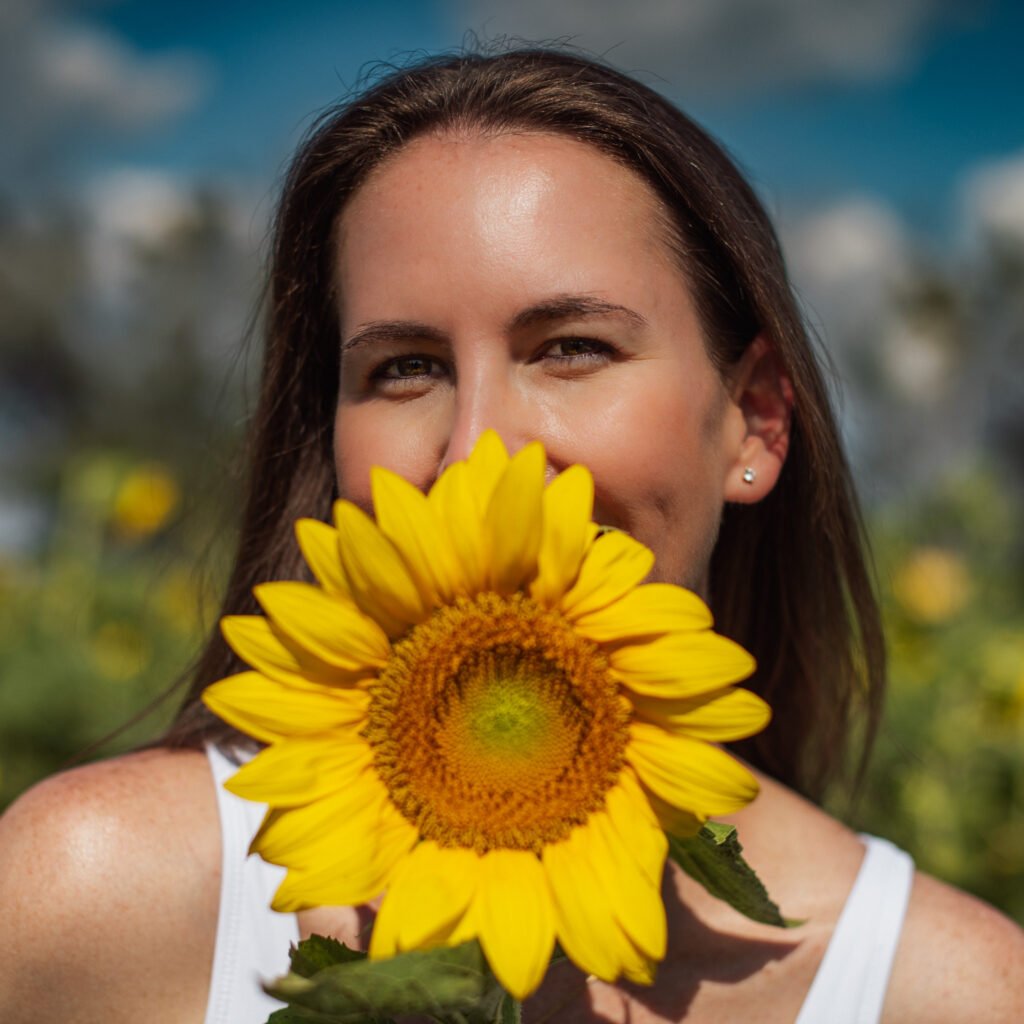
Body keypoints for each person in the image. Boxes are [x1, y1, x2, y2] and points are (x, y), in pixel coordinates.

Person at [1, 47, 1021, 1024]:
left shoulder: (947, 992)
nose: (482, 451)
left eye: (571, 348)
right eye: (404, 367)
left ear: (752, 418)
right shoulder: (93, 897)